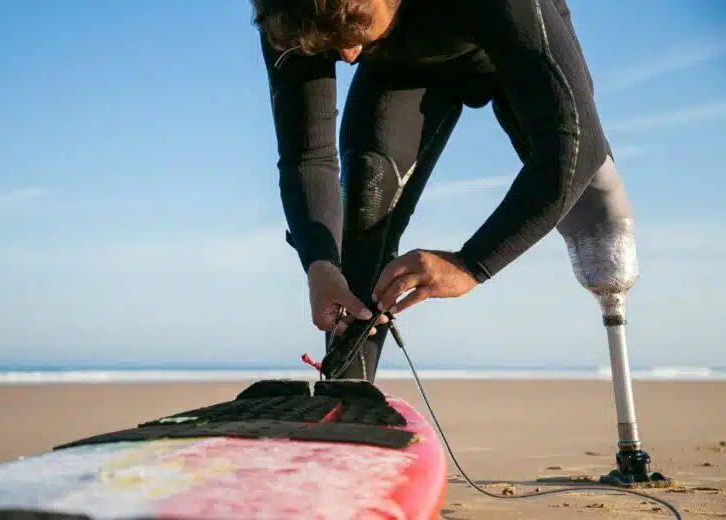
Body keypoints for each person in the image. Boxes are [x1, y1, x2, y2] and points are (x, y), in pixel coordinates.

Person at [250, 0, 635, 381]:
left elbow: (573, 147)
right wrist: (319, 264)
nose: (348, 56)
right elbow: (307, 157)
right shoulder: (292, 10)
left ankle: (628, 425)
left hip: (513, 42)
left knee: (602, 228)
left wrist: (471, 264)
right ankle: (347, 399)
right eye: (331, 43)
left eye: (354, 29)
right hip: (404, 66)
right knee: (365, 199)